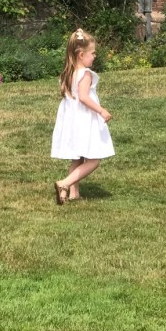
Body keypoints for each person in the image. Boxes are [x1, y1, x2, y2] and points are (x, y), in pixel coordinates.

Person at [51, 28, 114, 204]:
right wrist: (101, 110)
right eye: (92, 53)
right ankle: (64, 183)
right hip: (84, 120)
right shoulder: (85, 74)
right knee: (94, 160)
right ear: (81, 55)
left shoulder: (69, 73)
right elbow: (84, 97)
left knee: (77, 157)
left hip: (72, 120)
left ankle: (72, 194)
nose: (94, 56)